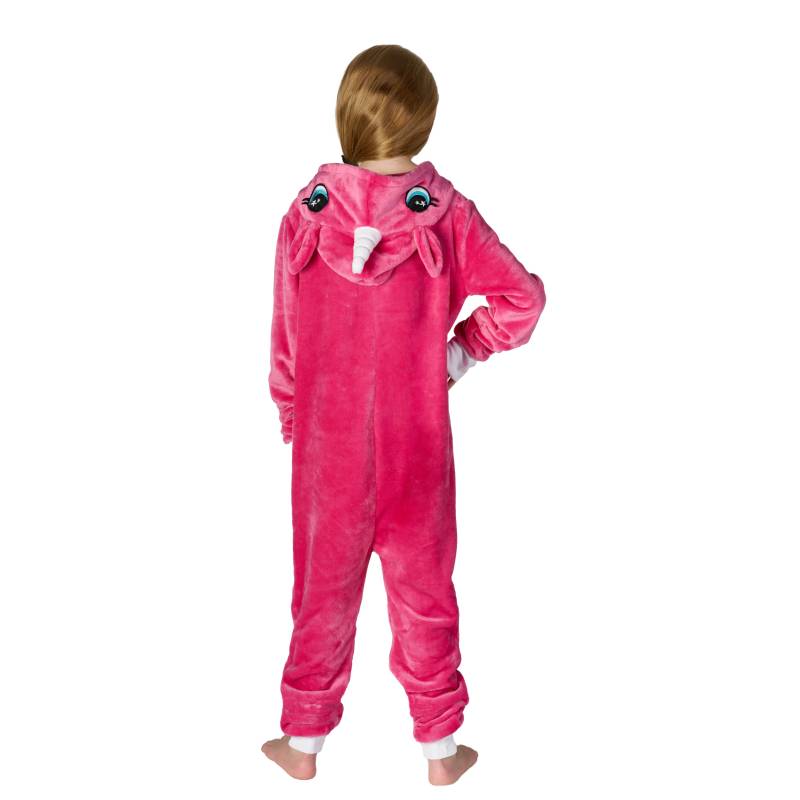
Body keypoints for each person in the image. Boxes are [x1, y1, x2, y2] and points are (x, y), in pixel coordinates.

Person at [261, 44, 546, 786]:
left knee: (321, 597)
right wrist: (458, 354)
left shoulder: (304, 214)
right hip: (416, 444)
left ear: (347, 115)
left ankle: (302, 744)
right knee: (425, 597)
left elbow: (287, 338)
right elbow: (523, 300)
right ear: (424, 120)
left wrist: (293, 418)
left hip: (327, 454)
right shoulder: (448, 216)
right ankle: (441, 752)